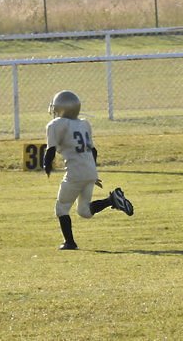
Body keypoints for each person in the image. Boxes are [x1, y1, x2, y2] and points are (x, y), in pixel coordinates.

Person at [43, 90, 134, 250]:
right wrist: (92, 172)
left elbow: (51, 150)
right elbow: (93, 151)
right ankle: (112, 200)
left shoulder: (55, 125)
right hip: (88, 170)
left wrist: (46, 166)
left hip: (75, 172)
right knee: (84, 211)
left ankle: (69, 243)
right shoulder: (84, 124)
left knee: (61, 208)